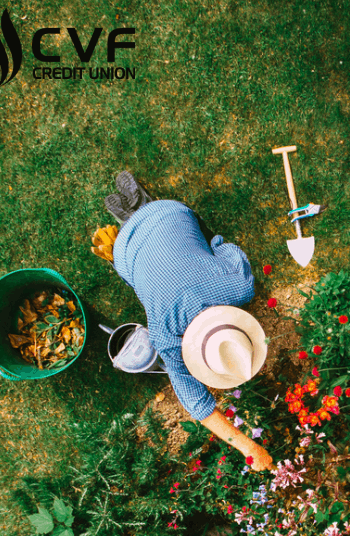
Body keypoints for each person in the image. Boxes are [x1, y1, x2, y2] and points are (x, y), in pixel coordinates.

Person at [101, 171, 275, 471]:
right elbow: (195, 402)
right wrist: (248, 447)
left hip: (170, 213)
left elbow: (224, 247)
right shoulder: (164, 336)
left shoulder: (240, 286)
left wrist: (251, 447)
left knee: (175, 242)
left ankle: (139, 212)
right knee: (145, 274)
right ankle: (133, 216)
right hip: (125, 253)